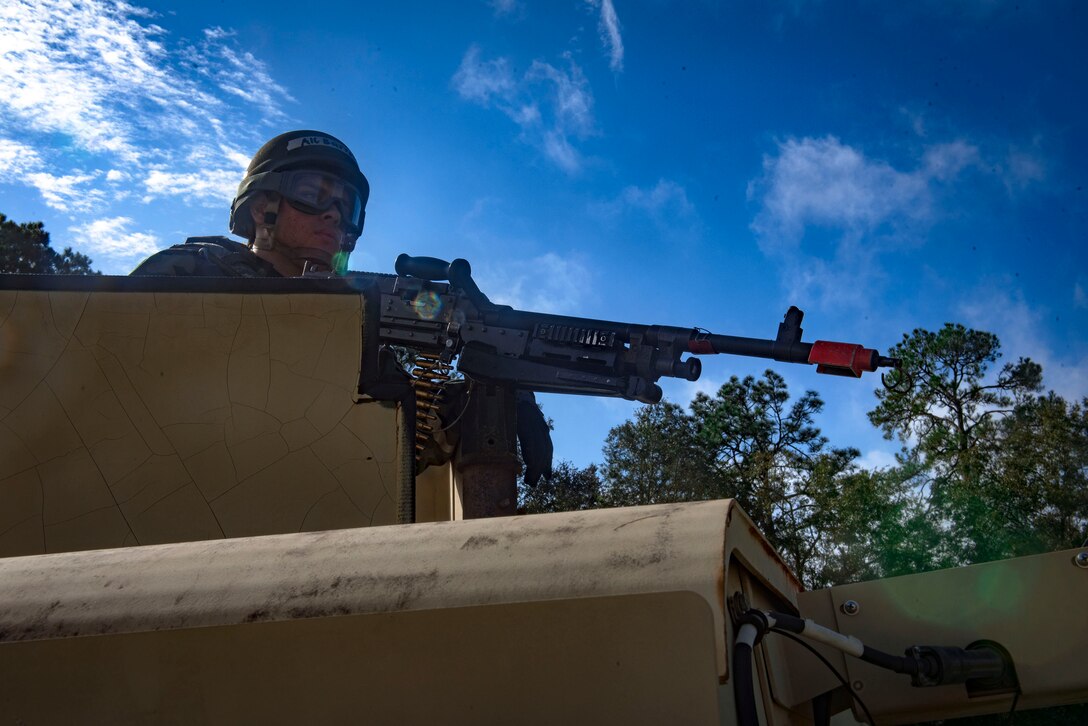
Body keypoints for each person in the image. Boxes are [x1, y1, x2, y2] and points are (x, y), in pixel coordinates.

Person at [131, 130, 369, 277]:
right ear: (261, 208)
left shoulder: (357, 320)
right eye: (311, 195)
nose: (334, 215)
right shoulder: (191, 274)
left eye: (348, 208)